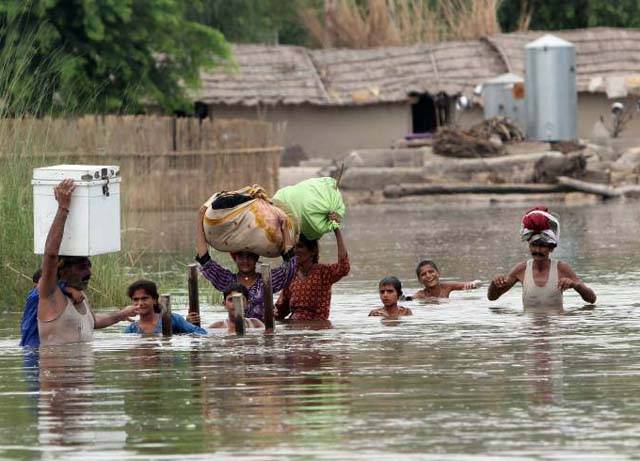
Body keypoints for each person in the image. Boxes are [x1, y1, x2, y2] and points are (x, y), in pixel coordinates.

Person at [37, 179, 140, 346]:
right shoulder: (50, 295)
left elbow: (92, 321)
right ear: (61, 269)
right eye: (82, 267)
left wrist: (120, 315)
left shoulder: (80, 296)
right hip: (57, 372)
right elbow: (50, 255)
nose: (89, 273)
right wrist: (63, 208)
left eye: (89, 266)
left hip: (82, 372)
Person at [194, 206, 296, 322]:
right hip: (236, 331)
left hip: (262, 332)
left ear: (256, 258)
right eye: (241, 257)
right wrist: (200, 219)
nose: (245, 261)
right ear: (235, 258)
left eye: (250, 257)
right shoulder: (227, 281)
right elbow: (205, 260)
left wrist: (284, 229)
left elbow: (290, 266)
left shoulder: (267, 280)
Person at [487, 206, 597, 309]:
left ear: (551, 248)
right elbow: (492, 297)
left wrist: (575, 285)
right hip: (529, 328)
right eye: (534, 245)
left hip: (555, 326)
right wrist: (494, 284)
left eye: (542, 246)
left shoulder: (562, 268)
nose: (537, 250)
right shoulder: (521, 269)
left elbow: (592, 299)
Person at [275, 213, 350, 321]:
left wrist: (336, 230)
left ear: (313, 250)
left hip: (318, 328)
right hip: (294, 329)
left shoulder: (323, 272)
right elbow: (280, 311)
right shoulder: (291, 275)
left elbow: (344, 267)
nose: (296, 251)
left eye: (300, 246)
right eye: (294, 247)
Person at [124, 279, 207, 335]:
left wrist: (180, 335)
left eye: (144, 298)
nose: (140, 303)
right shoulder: (131, 330)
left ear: (154, 300)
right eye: (136, 299)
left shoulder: (172, 319)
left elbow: (201, 333)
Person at [412, 260, 480, 299]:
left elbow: (476, 284)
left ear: (438, 273)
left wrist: (472, 284)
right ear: (419, 280)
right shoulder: (421, 295)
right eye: (423, 274)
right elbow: (409, 299)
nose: (428, 276)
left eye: (431, 272)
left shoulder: (447, 287)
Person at [19, 268, 42, 347]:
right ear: (36, 284)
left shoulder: (33, 293)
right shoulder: (35, 296)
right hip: (30, 337)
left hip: (30, 335)